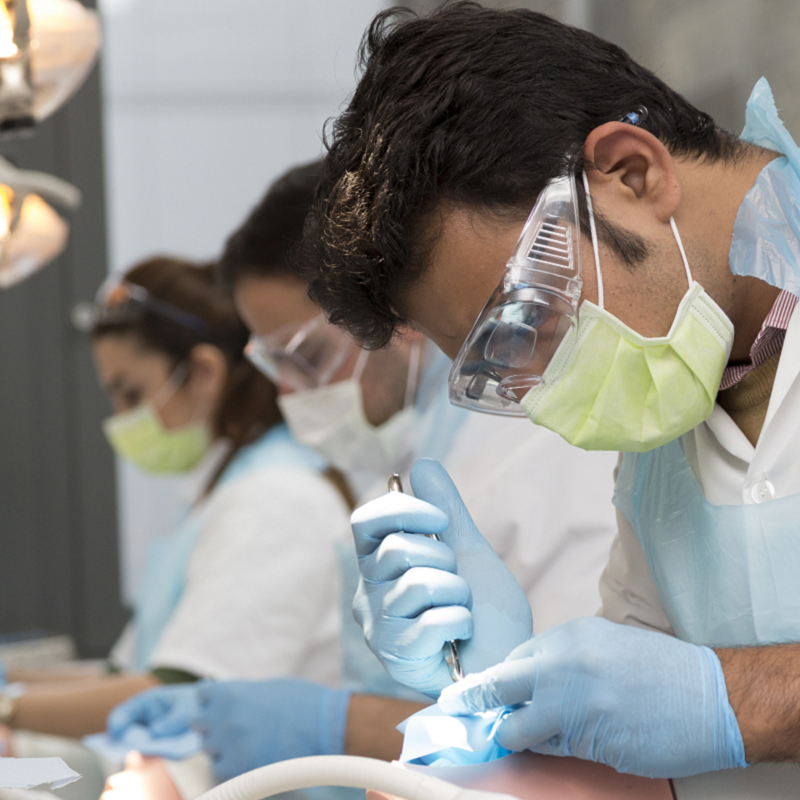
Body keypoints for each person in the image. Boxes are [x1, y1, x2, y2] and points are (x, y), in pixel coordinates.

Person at [300, 0, 800, 782]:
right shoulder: (668, 428)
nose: (546, 392)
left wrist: (737, 699)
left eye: (527, 316)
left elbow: (718, 717)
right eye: (498, 366)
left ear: (635, 172)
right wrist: (495, 722)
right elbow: (667, 771)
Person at [107, 161, 619, 782]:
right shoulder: (419, 452)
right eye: (277, 370)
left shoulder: (538, 447)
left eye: (311, 357)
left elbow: (569, 731)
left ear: (394, 315)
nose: (294, 396)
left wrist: (328, 723)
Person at [0, 258, 350, 741]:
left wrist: (8, 710)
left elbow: (175, 691)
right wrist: (11, 682)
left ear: (204, 372)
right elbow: (122, 674)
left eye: (130, 393)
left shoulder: (275, 499)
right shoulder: (231, 489)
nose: (120, 420)